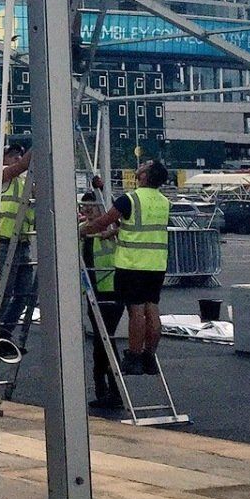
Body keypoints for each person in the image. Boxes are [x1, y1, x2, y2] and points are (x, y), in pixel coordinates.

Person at [79, 159, 170, 375]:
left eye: (146, 165)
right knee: (152, 309)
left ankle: (134, 356)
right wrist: (115, 229)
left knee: (136, 312)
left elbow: (104, 221)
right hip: (156, 263)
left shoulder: (131, 199)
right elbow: (133, 224)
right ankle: (150, 356)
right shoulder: (163, 201)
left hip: (133, 264)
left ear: (145, 175)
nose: (142, 165)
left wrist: (79, 231)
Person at [80, 178, 125, 410]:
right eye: (84, 206)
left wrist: (103, 190)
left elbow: (123, 219)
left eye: (92, 206)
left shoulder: (110, 229)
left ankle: (112, 389)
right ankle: (104, 389)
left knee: (104, 340)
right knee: (100, 341)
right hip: (92, 293)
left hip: (111, 290)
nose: (87, 210)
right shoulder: (81, 231)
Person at [0, 142, 37, 338]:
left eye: (20, 154)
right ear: (3, 159)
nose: (18, 157)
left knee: (24, 294)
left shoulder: (25, 181)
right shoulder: (1, 175)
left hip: (23, 243)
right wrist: (41, 143)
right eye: (13, 155)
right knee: (5, 292)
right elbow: (23, 166)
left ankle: (4, 333)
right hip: (4, 243)